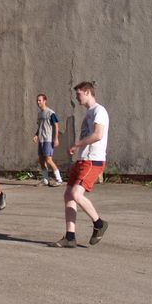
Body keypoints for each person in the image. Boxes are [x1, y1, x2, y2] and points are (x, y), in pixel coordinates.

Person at [49, 81, 109, 248]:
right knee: (68, 195)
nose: (77, 97)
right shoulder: (89, 113)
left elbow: (98, 135)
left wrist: (77, 144)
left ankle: (99, 224)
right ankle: (70, 237)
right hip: (83, 160)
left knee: (76, 194)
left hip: (93, 160)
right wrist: (77, 158)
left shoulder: (99, 111)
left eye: (79, 94)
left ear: (88, 92)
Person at [33, 93, 62, 186]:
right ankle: (45, 180)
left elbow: (56, 125)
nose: (38, 102)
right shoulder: (39, 114)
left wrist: (56, 138)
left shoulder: (50, 113)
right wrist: (36, 135)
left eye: (40, 100)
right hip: (41, 140)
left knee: (48, 160)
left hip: (48, 139)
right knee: (41, 160)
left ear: (44, 101)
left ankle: (59, 179)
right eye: (37, 100)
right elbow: (40, 126)